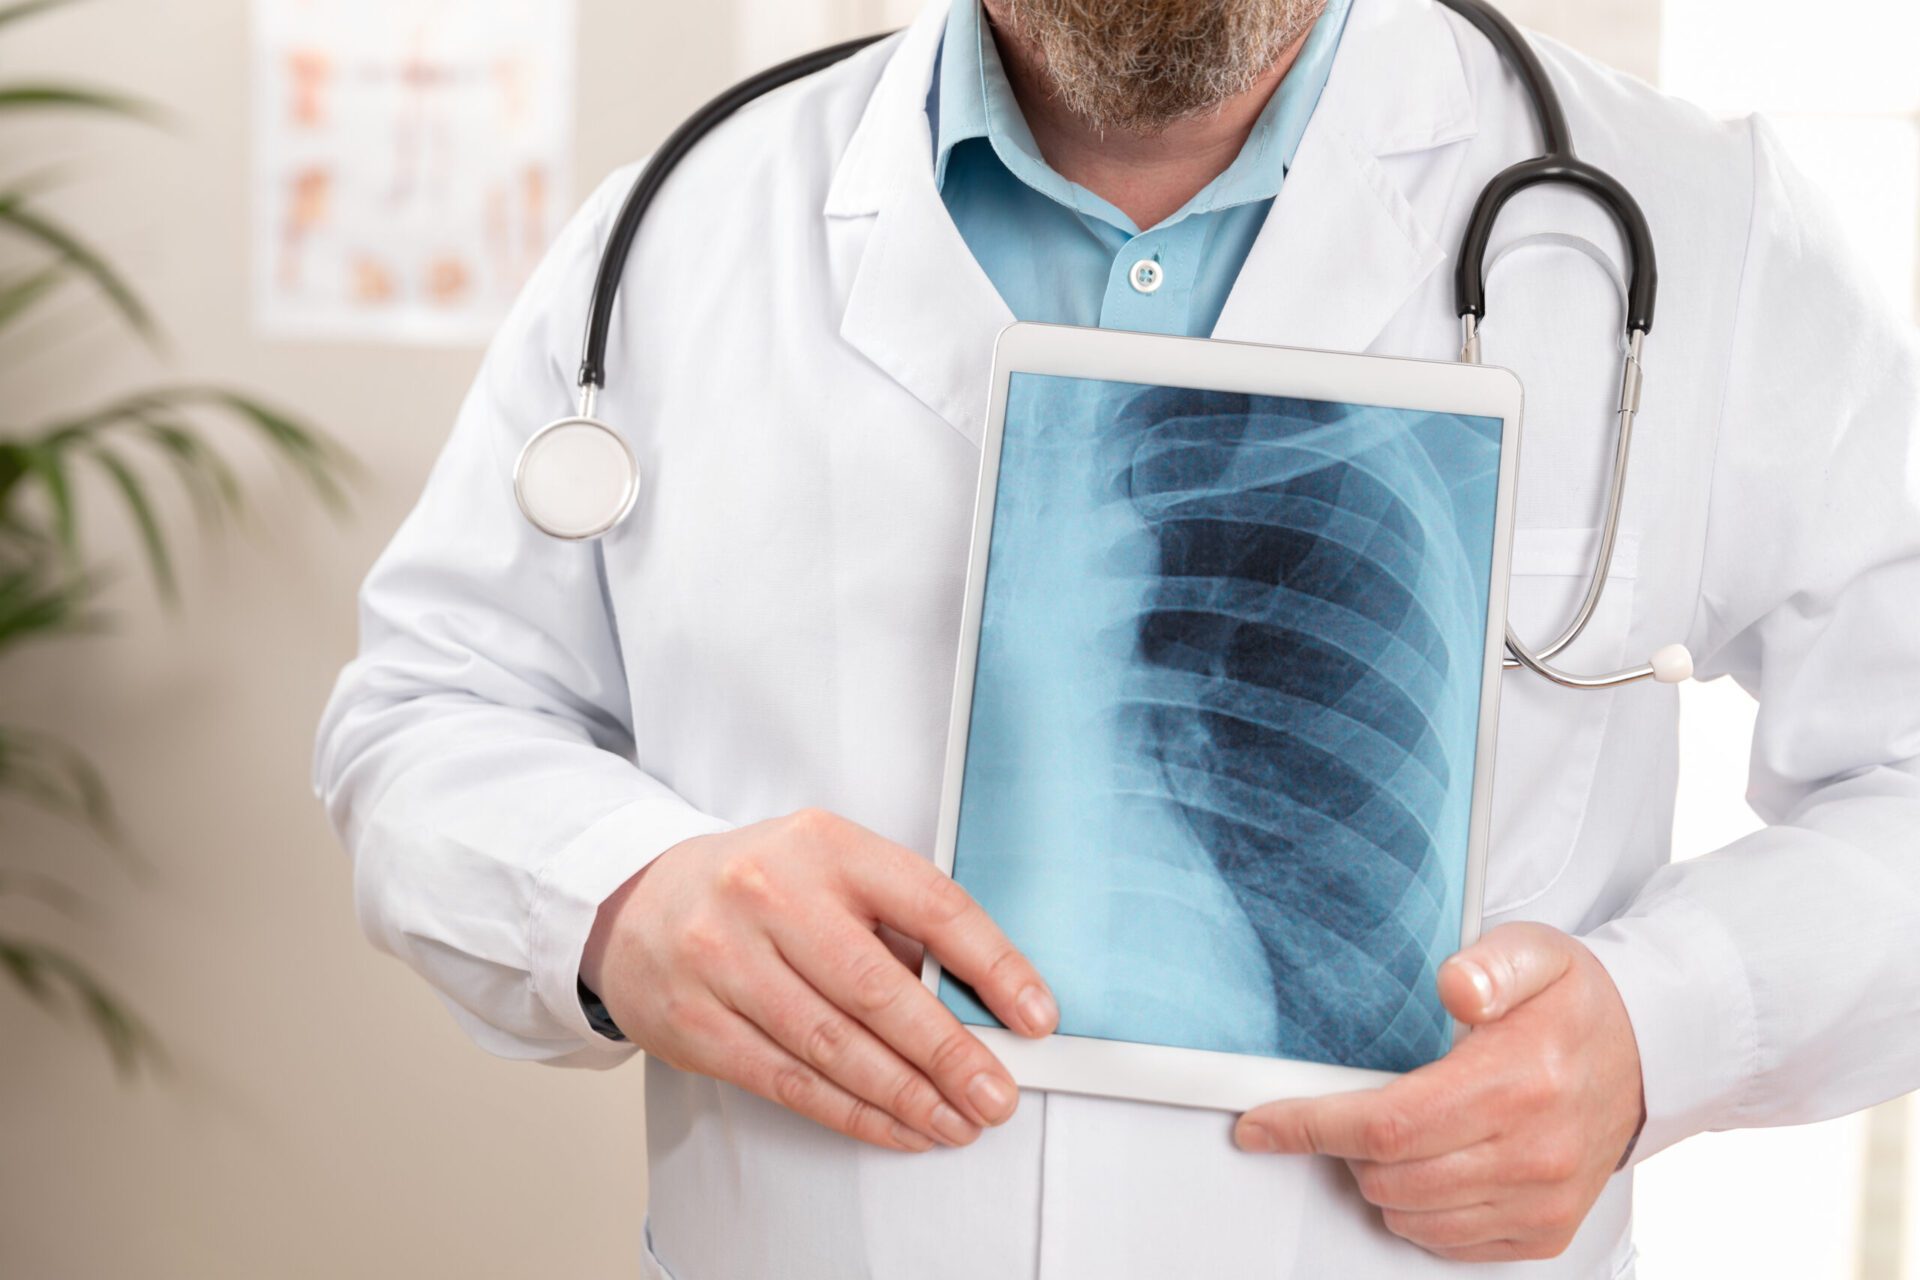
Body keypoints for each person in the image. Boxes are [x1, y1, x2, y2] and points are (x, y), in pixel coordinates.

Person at [313, 0, 1920, 1274]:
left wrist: (1663, 1029)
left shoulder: (1696, 229)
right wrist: (619, 899)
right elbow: (426, 713)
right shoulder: (677, 233)